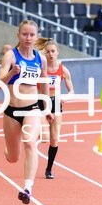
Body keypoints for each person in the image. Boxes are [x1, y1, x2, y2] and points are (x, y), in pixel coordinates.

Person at [0, 20, 53, 204]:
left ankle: (28, 188)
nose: (28, 38)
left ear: (36, 37)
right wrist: (12, 73)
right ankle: (9, 150)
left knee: (30, 143)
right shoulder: (10, 56)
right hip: (11, 110)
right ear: (18, 35)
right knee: (13, 157)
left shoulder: (41, 59)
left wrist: (47, 109)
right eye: (25, 34)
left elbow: (44, 84)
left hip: (32, 108)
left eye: (32, 35)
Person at [36, 38, 74, 179]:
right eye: (48, 52)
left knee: (54, 139)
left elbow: (71, 91)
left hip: (56, 103)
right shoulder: (40, 68)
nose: (50, 54)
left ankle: (49, 169)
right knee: (44, 137)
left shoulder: (63, 70)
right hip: (41, 101)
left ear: (57, 52)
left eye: (53, 51)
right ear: (44, 53)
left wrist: (66, 97)